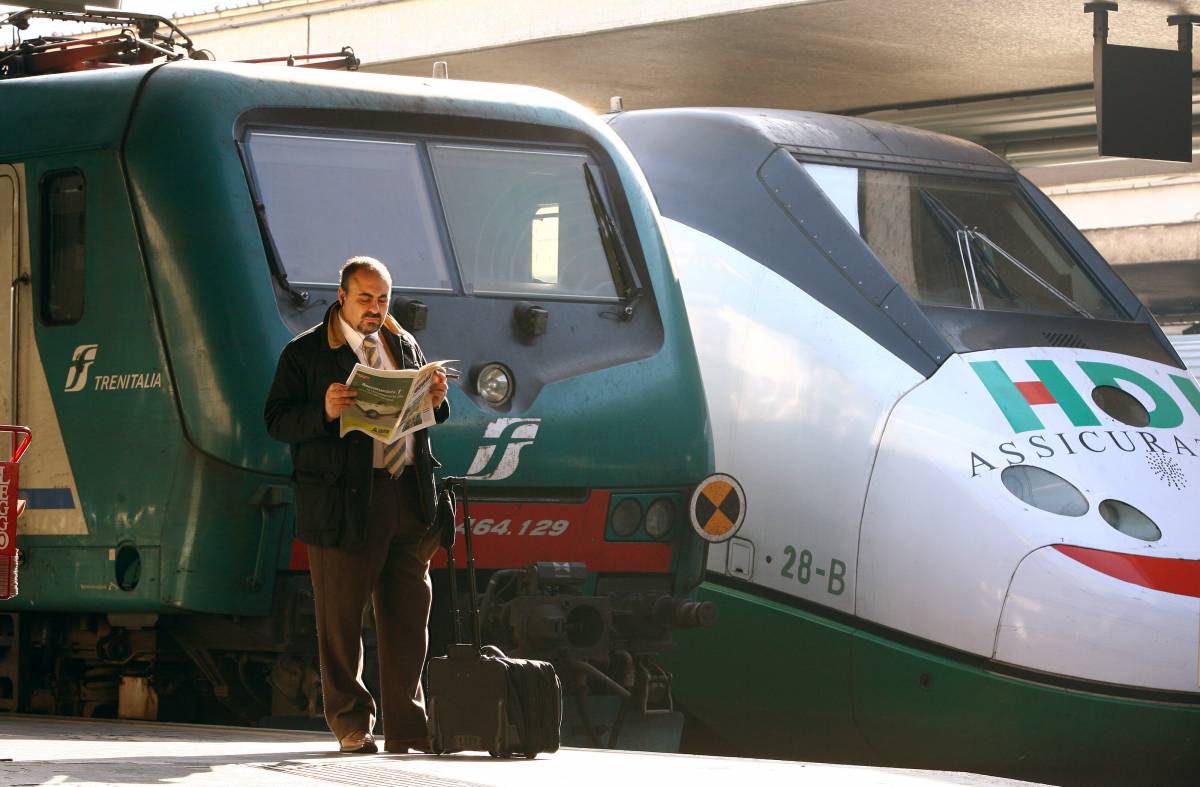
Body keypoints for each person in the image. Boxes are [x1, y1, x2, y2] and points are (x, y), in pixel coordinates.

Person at [264, 256, 450, 754]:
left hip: (406, 497)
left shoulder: (403, 342)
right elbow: (277, 420)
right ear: (341, 296)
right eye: (365, 298)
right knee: (341, 622)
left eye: (383, 299)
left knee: (410, 618)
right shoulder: (305, 354)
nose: (375, 309)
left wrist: (436, 397)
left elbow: (426, 416)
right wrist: (323, 412)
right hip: (344, 502)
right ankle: (351, 723)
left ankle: (409, 726)